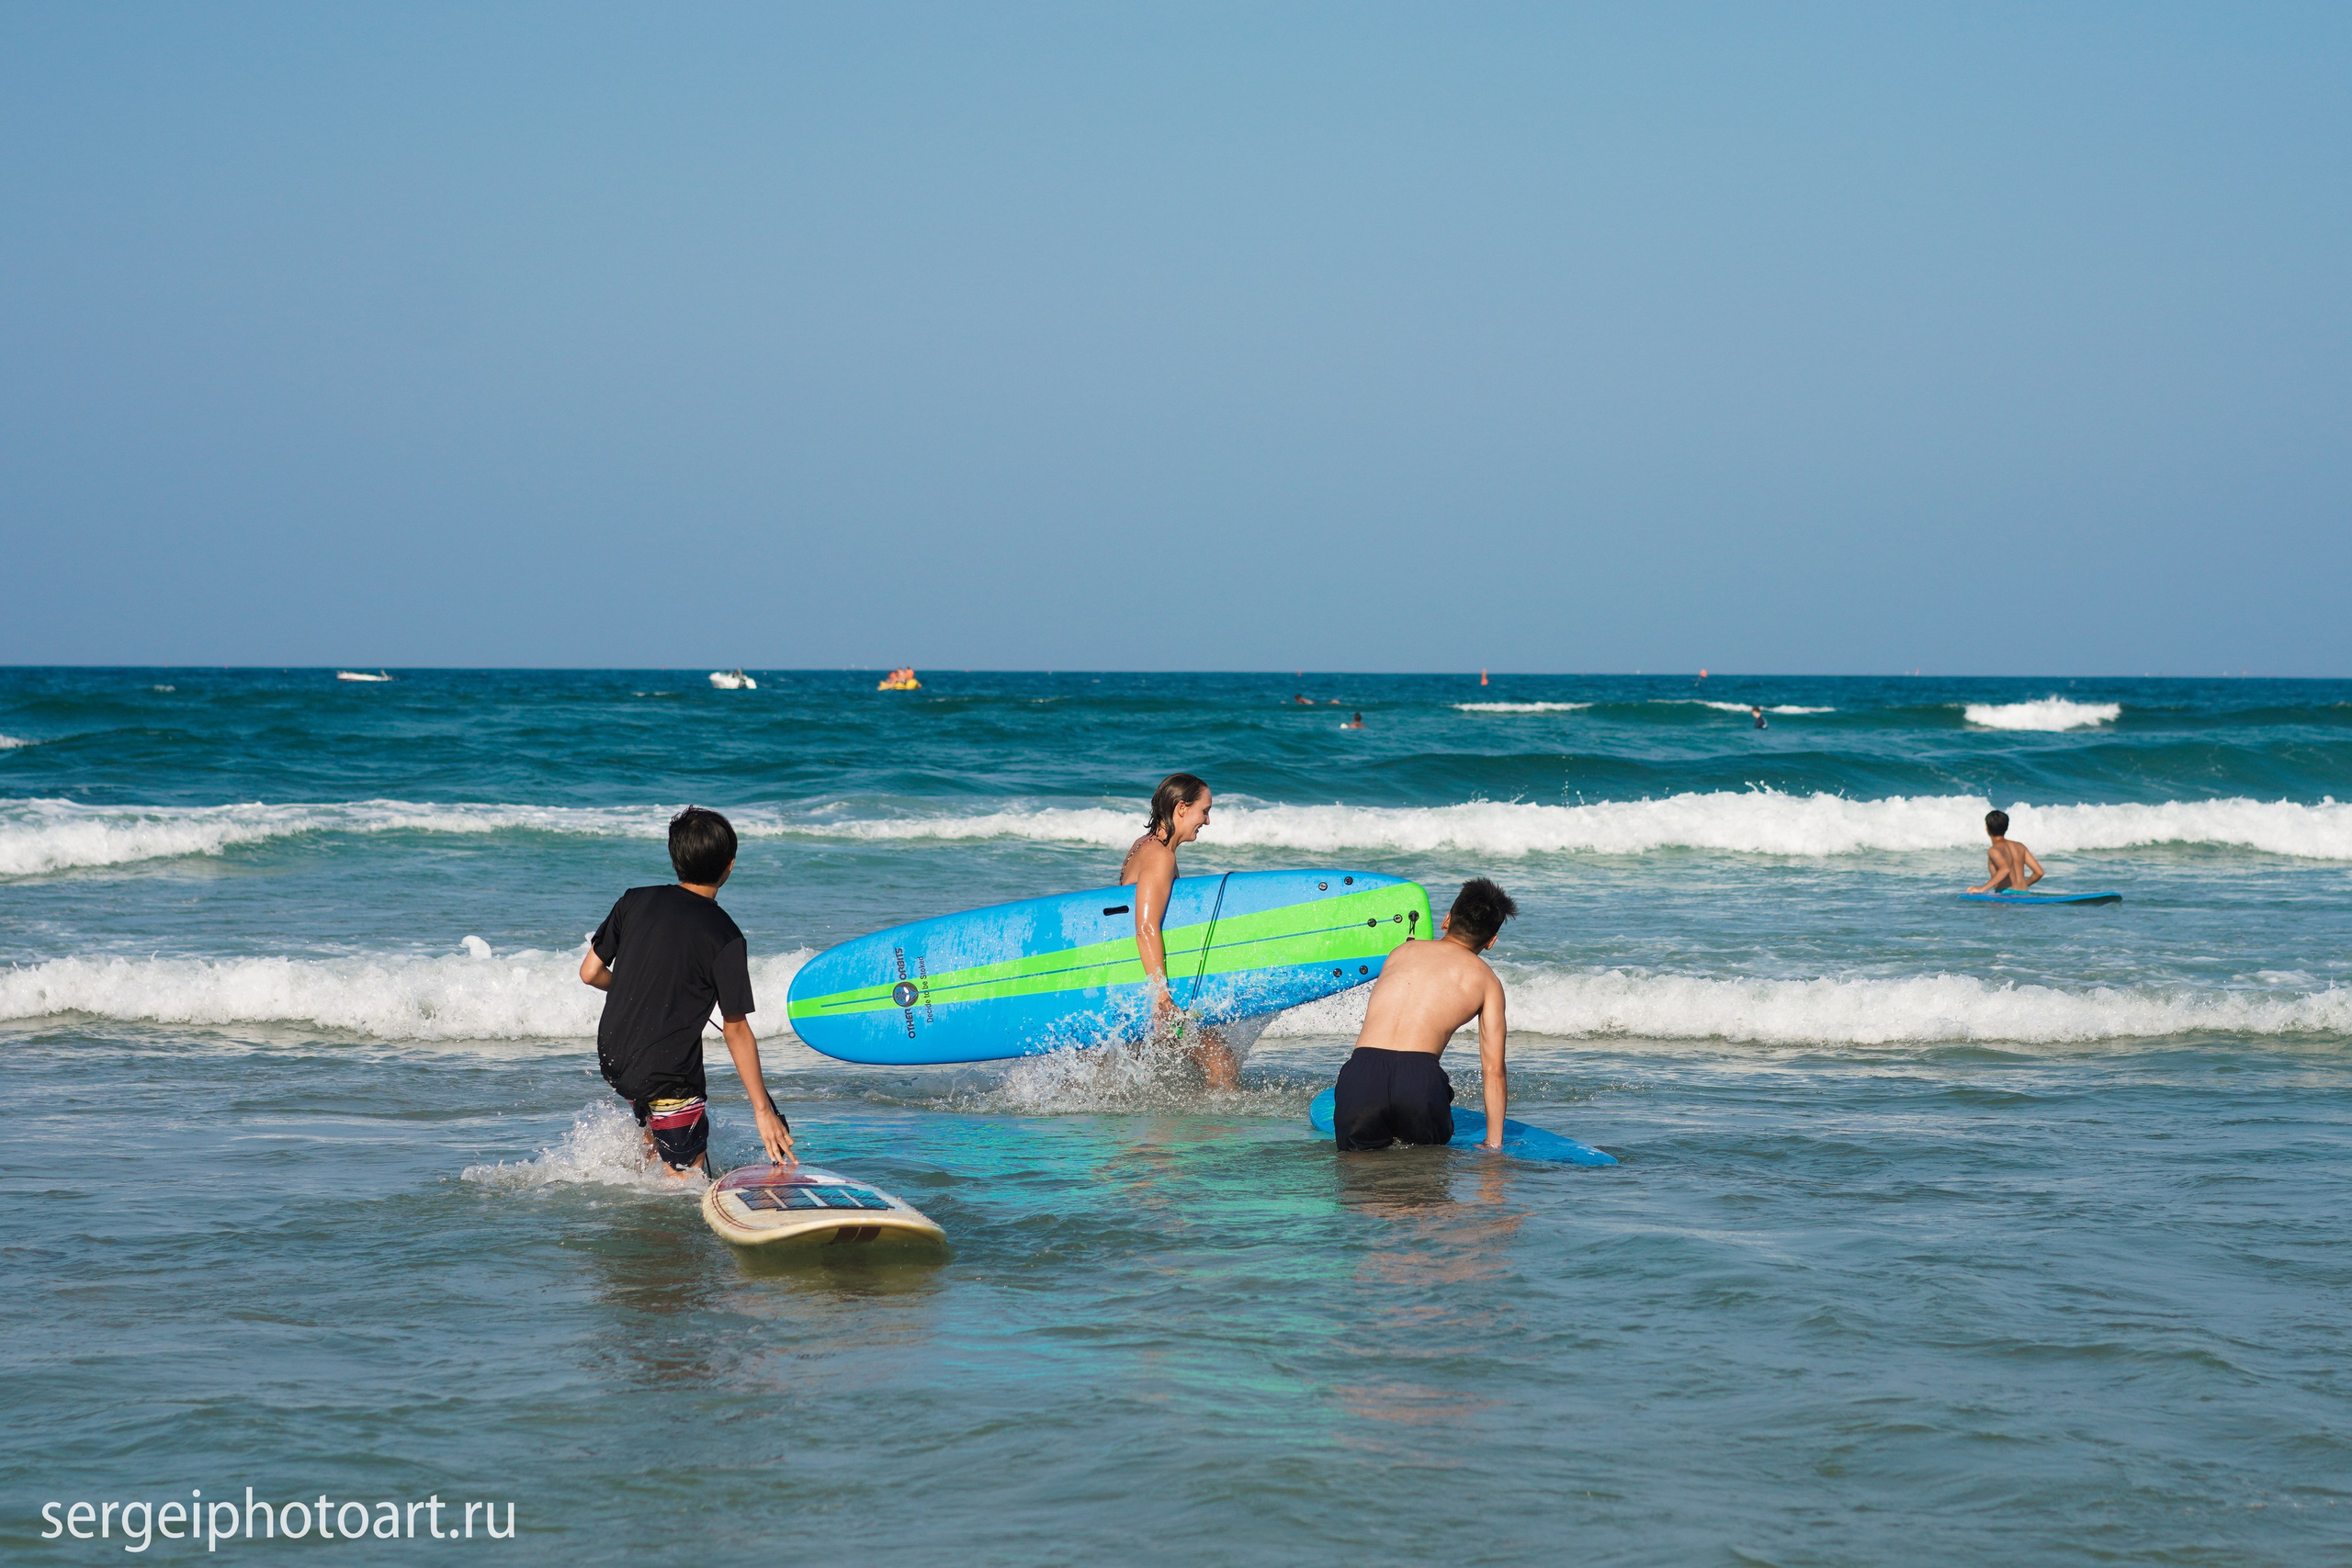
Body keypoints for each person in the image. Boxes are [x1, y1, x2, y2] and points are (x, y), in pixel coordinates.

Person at [578, 807, 794, 1176]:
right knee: (686, 1182)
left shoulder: (634, 900)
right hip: (667, 1071)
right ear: (730, 865)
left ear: (675, 857)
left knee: (655, 1121)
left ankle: (647, 1163)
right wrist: (763, 1110)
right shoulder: (725, 936)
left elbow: (590, 972)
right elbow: (736, 1028)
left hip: (615, 1058)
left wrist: (632, 989)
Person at [1331, 878, 1517, 1151]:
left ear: (1446, 920)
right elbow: (1494, 1071)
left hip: (1361, 1075)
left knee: (1359, 1184)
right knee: (1425, 1177)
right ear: (1491, 941)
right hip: (1419, 1081)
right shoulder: (1487, 981)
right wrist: (1494, 1144)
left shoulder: (1401, 952)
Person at [1117, 773, 1239, 1089]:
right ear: (1182, 808)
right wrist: (1161, 998)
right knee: (1220, 1061)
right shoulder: (1160, 855)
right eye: (1205, 810)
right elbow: (1145, 927)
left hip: (1139, 980)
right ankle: (1220, 1132)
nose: (1207, 821)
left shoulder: (1142, 846)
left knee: (1209, 1057)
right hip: (1153, 987)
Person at [1968, 808, 2045, 893]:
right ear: (2007, 827)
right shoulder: (2020, 846)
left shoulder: (1993, 850)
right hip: (2024, 893)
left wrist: (1982, 889)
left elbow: (2005, 869)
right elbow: (2039, 872)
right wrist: (2023, 885)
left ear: (1986, 827)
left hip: (2005, 895)